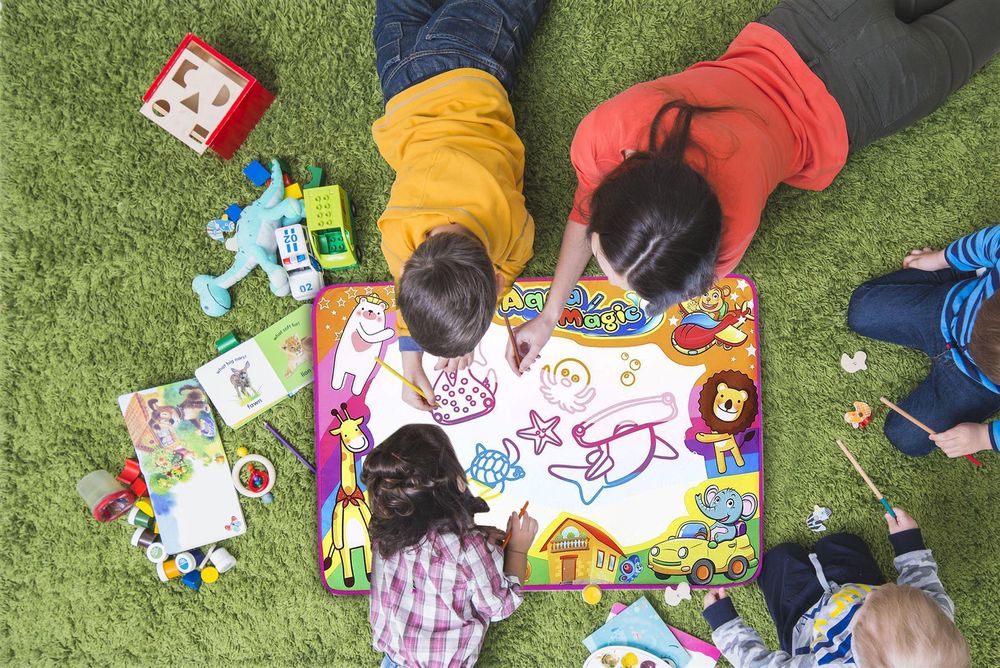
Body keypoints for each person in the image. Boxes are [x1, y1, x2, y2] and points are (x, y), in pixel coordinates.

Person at [506, 0, 1000, 374]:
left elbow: (587, 210)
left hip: (875, 92)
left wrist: (550, 314)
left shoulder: (727, 234)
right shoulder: (608, 132)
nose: (613, 283)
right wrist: (549, 316)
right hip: (812, 20)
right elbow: (588, 210)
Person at [371, 0, 548, 409]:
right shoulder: (397, 235)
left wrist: (484, 303)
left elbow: (513, 262)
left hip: (468, 63)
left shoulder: (509, 225)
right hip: (400, 78)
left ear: (495, 281)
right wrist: (410, 356)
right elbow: (406, 287)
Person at [361, 424, 539, 668]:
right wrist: (518, 548)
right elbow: (500, 606)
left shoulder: (385, 528)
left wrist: (478, 536)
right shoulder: (467, 547)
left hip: (394, 659)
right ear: (458, 482)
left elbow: (429, 549)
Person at [702, 508, 969, 667]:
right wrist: (908, 543)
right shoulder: (936, 619)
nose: (872, 595)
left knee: (778, 559)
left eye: (866, 608)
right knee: (842, 542)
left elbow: (757, 664)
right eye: (886, 591)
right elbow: (922, 580)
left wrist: (725, 623)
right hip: (855, 580)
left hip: (804, 620)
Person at [848, 225, 1000, 459]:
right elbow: (990, 241)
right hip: (950, 311)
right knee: (862, 311)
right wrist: (939, 260)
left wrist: (984, 437)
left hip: (977, 385)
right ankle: (962, 273)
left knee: (906, 437)